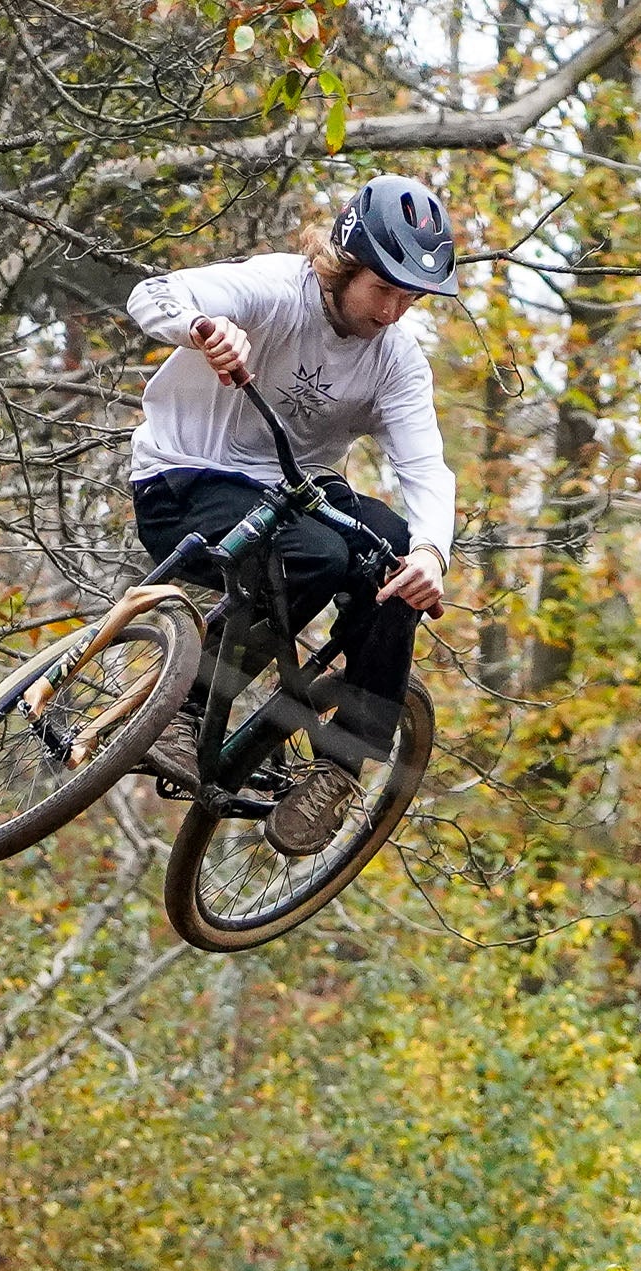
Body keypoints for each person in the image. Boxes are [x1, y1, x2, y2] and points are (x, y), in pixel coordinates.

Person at [124, 175, 459, 855]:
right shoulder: (273, 289)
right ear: (344, 263)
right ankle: (180, 713)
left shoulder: (396, 362)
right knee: (317, 554)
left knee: (392, 558)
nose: (395, 312)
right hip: (183, 480)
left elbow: (424, 466)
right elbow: (150, 294)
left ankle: (337, 768)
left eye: (410, 297)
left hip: (288, 495)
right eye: (385, 290)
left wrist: (431, 556)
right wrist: (201, 329)